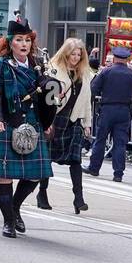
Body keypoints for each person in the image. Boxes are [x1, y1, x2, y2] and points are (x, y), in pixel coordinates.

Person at [0, 17, 56, 237]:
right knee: (5, 176)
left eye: (27, 40)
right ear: (10, 42)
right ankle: (8, 222)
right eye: (19, 40)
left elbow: (47, 98)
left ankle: (15, 207)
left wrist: (47, 122)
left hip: (32, 124)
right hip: (8, 123)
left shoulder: (38, 66)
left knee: (34, 175)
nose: (24, 44)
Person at [39, 37, 93, 214]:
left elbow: (87, 100)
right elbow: (47, 99)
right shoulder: (54, 70)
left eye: (79, 54)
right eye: (73, 54)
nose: (76, 57)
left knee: (76, 159)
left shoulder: (84, 74)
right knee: (47, 159)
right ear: (65, 53)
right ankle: (42, 194)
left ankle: (79, 199)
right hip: (56, 118)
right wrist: (46, 119)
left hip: (74, 119)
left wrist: (87, 122)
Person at [86, 44, 132, 181]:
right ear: (127, 59)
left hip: (107, 108)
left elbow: (94, 89)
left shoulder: (106, 72)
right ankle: (118, 173)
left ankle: (94, 168)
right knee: (120, 143)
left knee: (100, 139)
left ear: (115, 58)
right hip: (124, 110)